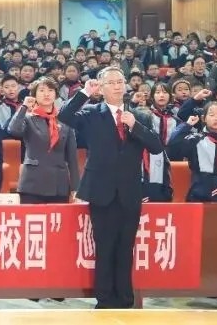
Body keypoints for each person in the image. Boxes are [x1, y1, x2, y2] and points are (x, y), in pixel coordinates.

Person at [57, 67, 163, 309]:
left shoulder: (139, 116)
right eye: (111, 82)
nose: (117, 86)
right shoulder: (92, 113)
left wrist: (135, 126)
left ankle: (125, 300)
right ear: (102, 88)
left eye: (120, 81)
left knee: (125, 248)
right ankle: (104, 300)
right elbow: (65, 115)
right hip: (101, 191)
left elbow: (157, 147)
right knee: (104, 247)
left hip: (130, 192)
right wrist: (84, 93)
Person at [6, 76, 79, 203]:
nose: (46, 94)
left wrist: (75, 187)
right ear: (34, 95)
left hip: (59, 184)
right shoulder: (28, 118)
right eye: (42, 90)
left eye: (50, 90)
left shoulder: (64, 121)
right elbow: (14, 130)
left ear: (56, 95)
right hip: (32, 184)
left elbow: (72, 158)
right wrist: (23, 107)